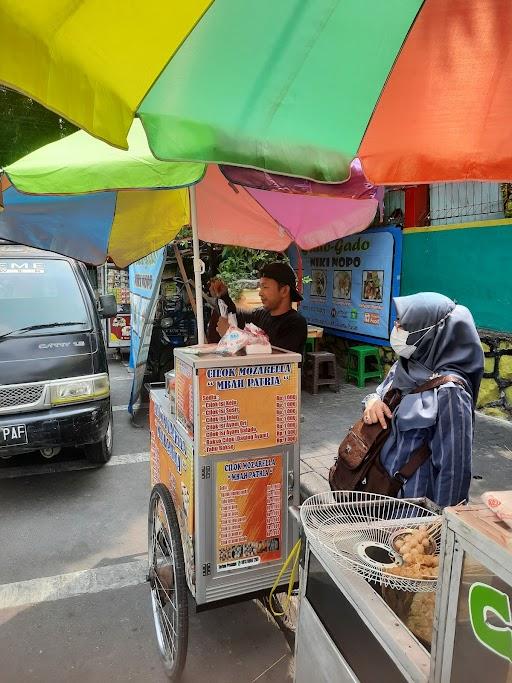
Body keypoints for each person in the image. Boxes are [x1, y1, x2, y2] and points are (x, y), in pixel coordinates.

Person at [362, 292, 484, 507]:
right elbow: (379, 393)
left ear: (431, 332)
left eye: (404, 323)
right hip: (381, 491)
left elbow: (453, 470)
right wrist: (373, 402)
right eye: (397, 321)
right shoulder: (407, 364)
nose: (397, 327)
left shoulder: (450, 392)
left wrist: (441, 526)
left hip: (414, 510)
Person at [209, 262, 307, 355]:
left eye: (265, 287)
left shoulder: (295, 323)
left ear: (284, 291)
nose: (260, 293)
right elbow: (236, 316)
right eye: (260, 287)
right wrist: (224, 296)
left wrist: (230, 336)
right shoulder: (261, 314)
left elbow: (274, 359)